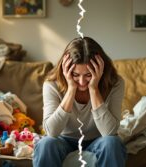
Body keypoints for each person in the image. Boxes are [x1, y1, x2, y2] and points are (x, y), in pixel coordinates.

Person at [33, 36, 126, 167]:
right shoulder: (51, 84)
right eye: (76, 75)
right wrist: (71, 89)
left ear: (100, 69)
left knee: (112, 143)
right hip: (63, 140)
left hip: (98, 140)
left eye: (88, 75)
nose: (82, 82)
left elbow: (109, 132)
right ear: (66, 70)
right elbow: (51, 132)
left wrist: (93, 89)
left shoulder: (115, 83)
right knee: (46, 144)